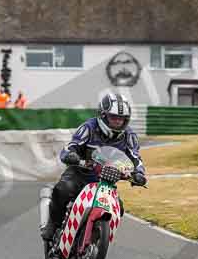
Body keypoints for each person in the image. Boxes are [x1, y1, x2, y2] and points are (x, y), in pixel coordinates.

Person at [41, 94, 147, 241]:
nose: (118, 121)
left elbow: (136, 157)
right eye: (113, 117)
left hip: (105, 182)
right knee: (62, 190)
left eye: (121, 118)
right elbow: (70, 147)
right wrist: (71, 155)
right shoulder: (89, 128)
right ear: (103, 115)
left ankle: (96, 240)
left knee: (119, 208)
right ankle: (53, 225)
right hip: (79, 174)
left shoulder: (129, 136)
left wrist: (139, 174)